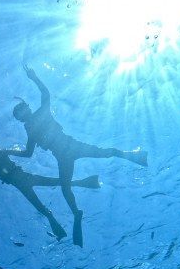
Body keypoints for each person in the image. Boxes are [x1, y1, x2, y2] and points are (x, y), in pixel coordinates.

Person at [8, 64, 147, 246]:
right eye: (19, 114)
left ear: (27, 108)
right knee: (66, 189)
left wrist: (34, 77)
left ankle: (133, 156)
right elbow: (28, 153)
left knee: (105, 153)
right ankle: (76, 213)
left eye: (22, 109)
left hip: (71, 146)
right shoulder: (30, 131)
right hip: (63, 157)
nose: (23, 114)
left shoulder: (41, 113)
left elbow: (46, 94)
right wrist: (8, 151)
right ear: (20, 119)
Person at [0, 142, 100, 240]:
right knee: (41, 207)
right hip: (24, 186)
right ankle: (55, 224)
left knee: (58, 182)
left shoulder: (2, 155)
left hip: (28, 178)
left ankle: (86, 182)